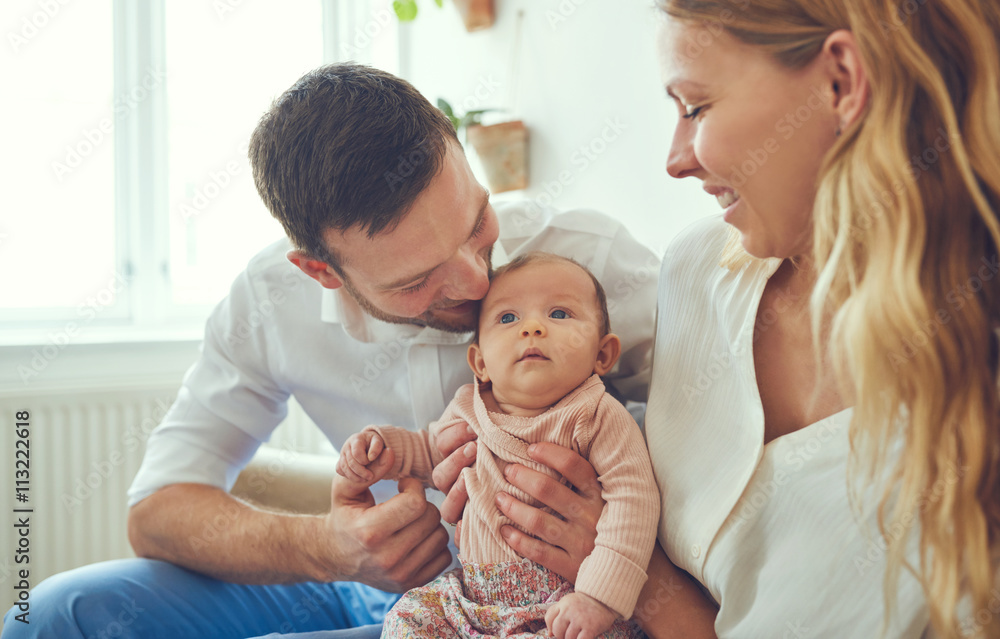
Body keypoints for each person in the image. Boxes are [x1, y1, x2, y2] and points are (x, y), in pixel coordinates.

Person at [0, 65, 659, 639]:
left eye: (477, 224)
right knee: (56, 615)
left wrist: (614, 546)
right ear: (321, 271)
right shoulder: (267, 302)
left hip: (548, 600)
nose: (477, 281)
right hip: (363, 588)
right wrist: (332, 547)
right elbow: (159, 511)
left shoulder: (590, 265)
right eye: (415, 279)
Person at [493, 1, 1000, 637]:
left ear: (840, 82)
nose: (675, 160)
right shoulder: (700, 268)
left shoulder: (973, 403)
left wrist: (637, 577)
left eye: (695, 107)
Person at [337, 252, 659, 639]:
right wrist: (381, 448)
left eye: (559, 314)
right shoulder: (467, 408)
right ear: (480, 362)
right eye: (509, 318)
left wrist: (599, 597)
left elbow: (634, 499)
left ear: (602, 353)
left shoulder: (595, 415)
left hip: (566, 602)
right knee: (406, 620)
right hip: (472, 601)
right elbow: (428, 451)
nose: (533, 328)